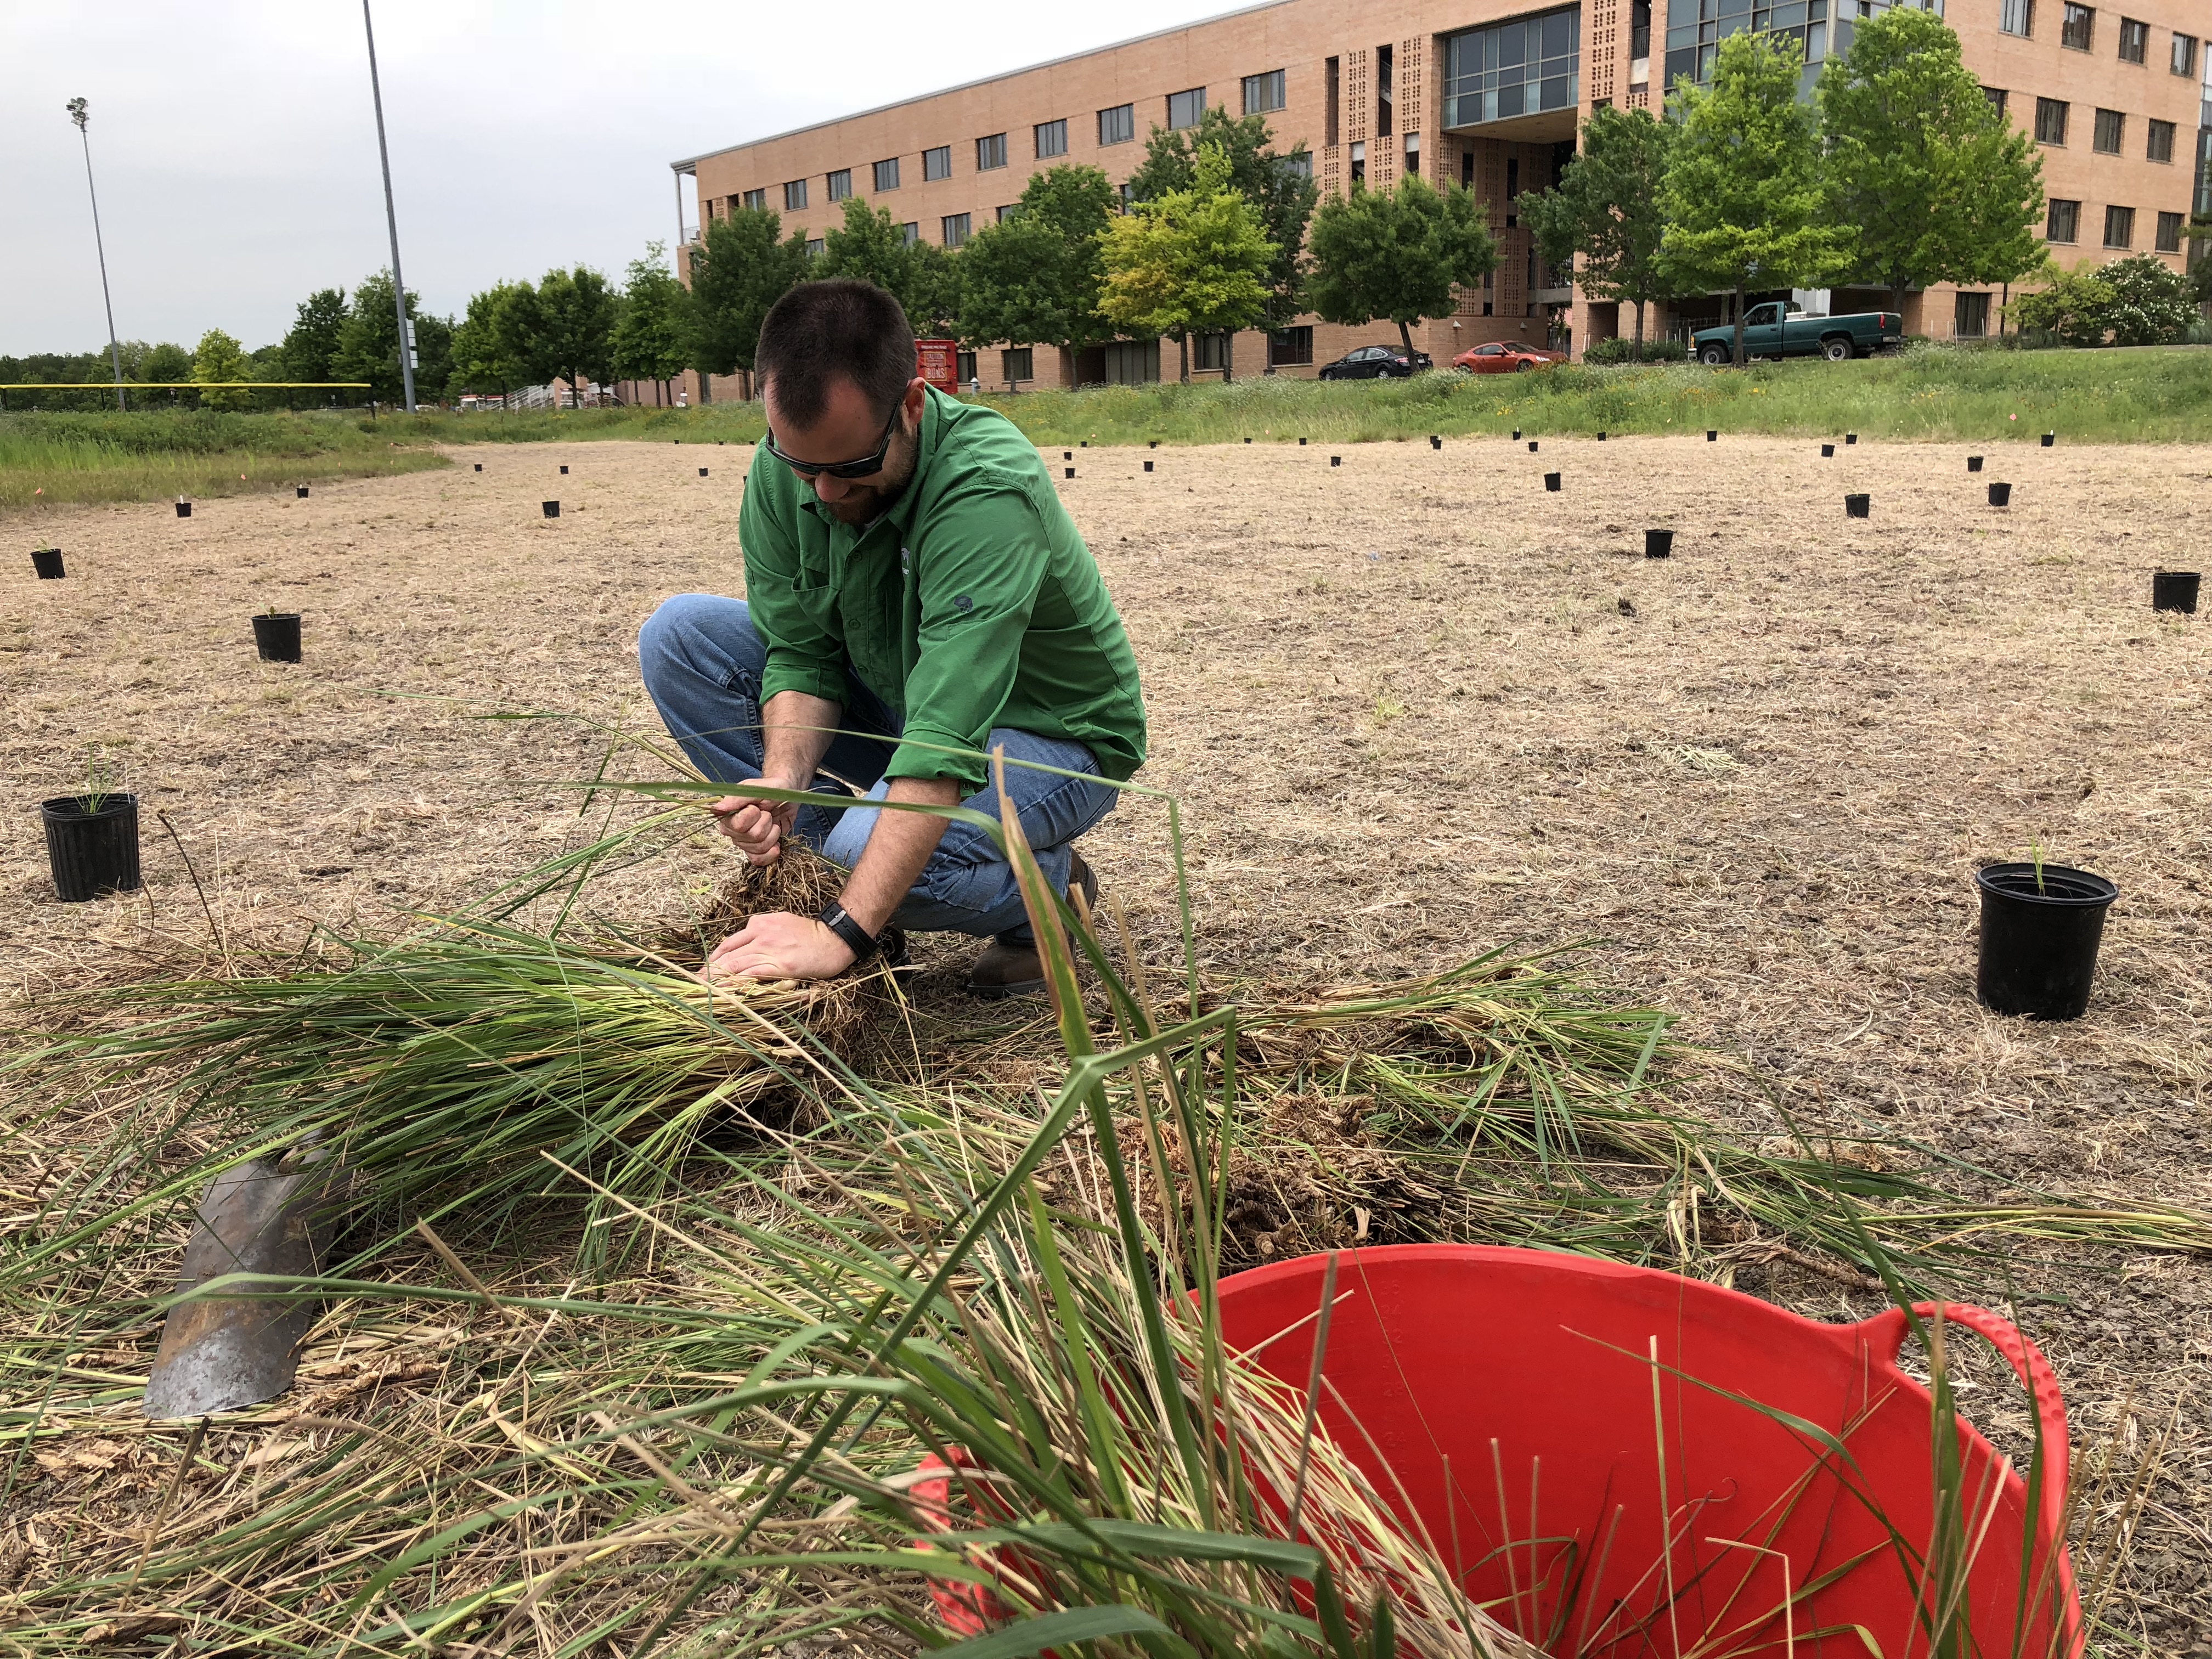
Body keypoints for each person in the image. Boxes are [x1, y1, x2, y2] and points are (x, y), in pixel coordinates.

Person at [637, 279, 1146, 996]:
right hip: (902, 694)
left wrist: (841, 938)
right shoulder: (790, 473)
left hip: (1054, 734)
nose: (823, 493)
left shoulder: (985, 490)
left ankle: (1051, 904)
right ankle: (830, 888)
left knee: (859, 852)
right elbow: (804, 655)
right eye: (801, 465)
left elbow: (944, 739)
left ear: (910, 406)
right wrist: (782, 776)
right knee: (681, 638)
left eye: (849, 468)